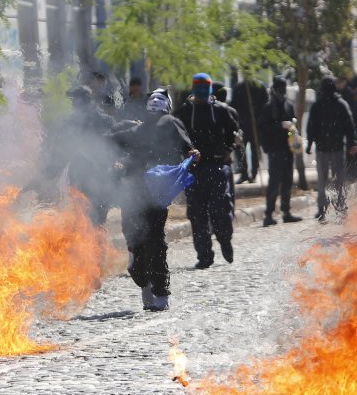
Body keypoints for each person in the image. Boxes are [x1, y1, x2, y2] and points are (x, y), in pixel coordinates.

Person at [113, 91, 198, 311]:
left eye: (159, 99)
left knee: (152, 242)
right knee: (141, 242)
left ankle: (159, 293)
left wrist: (192, 154)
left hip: (154, 193)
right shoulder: (138, 128)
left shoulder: (170, 123)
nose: (155, 102)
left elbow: (186, 147)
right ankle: (150, 288)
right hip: (134, 192)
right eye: (152, 98)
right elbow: (121, 145)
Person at [174, 73, 239, 269]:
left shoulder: (221, 111)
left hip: (218, 167)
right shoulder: (184, 113)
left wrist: (229, 149)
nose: (202, 91)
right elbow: (176, 136)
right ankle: (204, 255)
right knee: (197, 214)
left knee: (221, 212)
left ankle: (225, 241)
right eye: (198, 86)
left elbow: (235, 133)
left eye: (206, 87)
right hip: (195, 171)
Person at [63, 85, 117, 226]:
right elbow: (61, 151)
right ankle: (92, 244)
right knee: (87, 219)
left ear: (82, 102)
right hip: (82, 176)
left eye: (75, 100)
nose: (73, 104)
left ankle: (95, 244)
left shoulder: (105, 121)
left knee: (93, 219)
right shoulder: (71, 123)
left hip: (98, 176)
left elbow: (116, 147)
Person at [306, 76, 357, 222]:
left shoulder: (317, 105)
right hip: (336, 148)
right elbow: (350, 125)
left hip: (323, 148)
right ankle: (340, 208)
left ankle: (322, 210)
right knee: (339, 180)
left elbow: (311, 127)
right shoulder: (341, 104)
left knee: (322, 181)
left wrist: (310, 144)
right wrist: (352, 143)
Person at [259, 77, 304, 227]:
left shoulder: (288, 106)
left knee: (287, 181)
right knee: (274, 183)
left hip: (287, 149)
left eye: (284, 88)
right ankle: (269, 214)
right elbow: (264, 129)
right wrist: (279, 126)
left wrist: (292, 128)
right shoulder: (267, 107)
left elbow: (293, 123)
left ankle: (286, 212)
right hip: (275, 150)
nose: (282, 92)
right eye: (280, 88)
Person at [230, 79, 268, 183]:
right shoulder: (238, 87)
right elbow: (233, 107)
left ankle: (254, 173)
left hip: (256, 125)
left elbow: (265, 106)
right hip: (242, 125)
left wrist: (260, 120)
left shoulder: (260, 87)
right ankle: (244, 173)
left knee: (255, 150)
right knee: (240, 149)